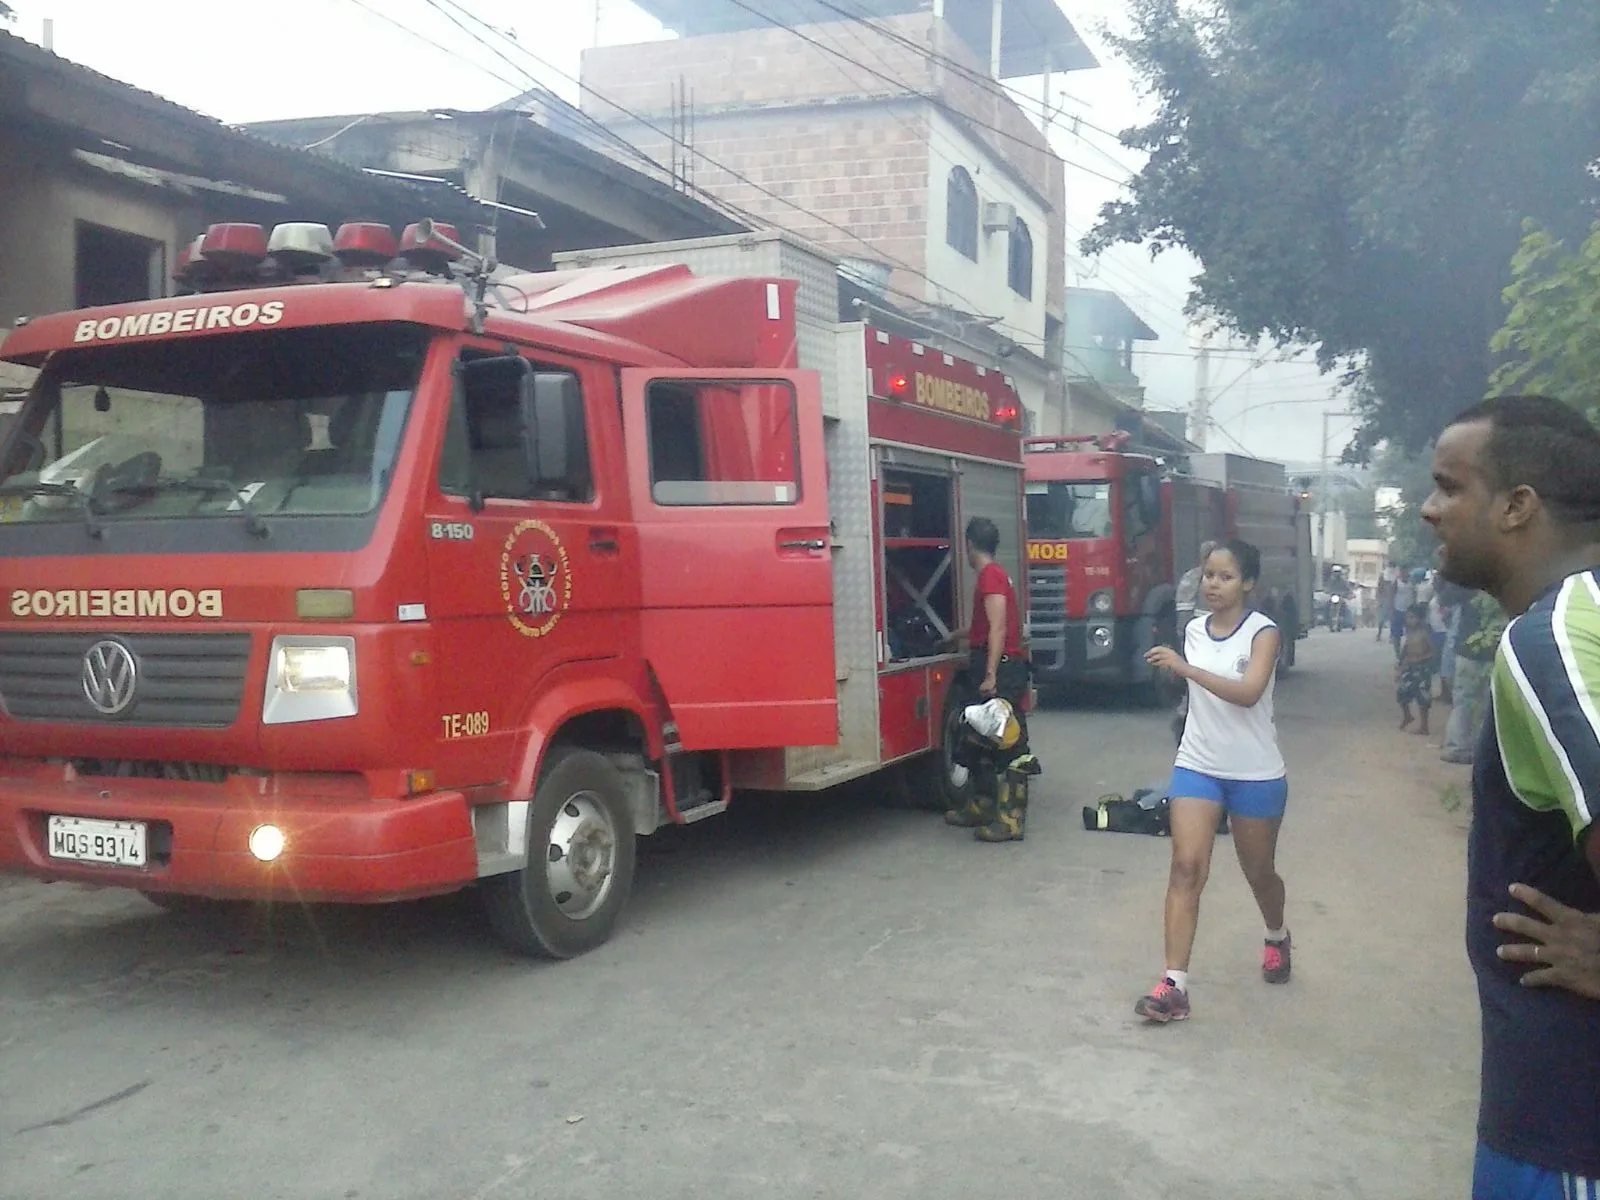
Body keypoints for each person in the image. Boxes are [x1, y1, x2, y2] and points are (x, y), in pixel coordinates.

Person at [1420, 394, 1600, 1194]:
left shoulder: (1554, 636)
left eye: (1448, 487)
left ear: (1517, 506)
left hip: (1565, 1127)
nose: (1429, 510)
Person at [1134, 539, 1291, 1023]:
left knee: (1258, 872)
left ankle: (1276, 934)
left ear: (1247, 583)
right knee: (1185, 867)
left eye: (1225, 577)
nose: (1214, 585)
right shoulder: (1195, 630)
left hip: (1255, 773)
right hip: (1198, 765)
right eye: (1208, 576)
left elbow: (1248, 693)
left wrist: (1185, 668)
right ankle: (1173, 986)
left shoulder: (1264, 633)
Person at [943, 517, 1038, 843]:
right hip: (993, 661)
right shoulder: (993, 577)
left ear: (970, 545)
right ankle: (982, 806)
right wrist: (960, 635)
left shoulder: (991, 577)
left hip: (1002, 669)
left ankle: (1010, 820)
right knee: (978, 739)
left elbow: (998, 628)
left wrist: (991, 674)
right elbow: (989, 626)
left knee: (1009, 743)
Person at [1440, 587, 1506, 765]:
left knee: (1463, 702)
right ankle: (1478, 750)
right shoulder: (1501, 593)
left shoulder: (1467, 591)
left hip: (1466, 653)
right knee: (1486, 705)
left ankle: (1457, 747)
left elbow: (1446, 605)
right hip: (1491, 653)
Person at [1170, 540, 1219, 744]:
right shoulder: (1214, 580)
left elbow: (1182, 612)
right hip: (1205, 640)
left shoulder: (1190, 578)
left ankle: (1185, 721)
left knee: (1194, 684)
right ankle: (1189, 723)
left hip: (1191, 639)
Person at [1396, 603, 1436, 735]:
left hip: (1423, 667)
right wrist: (1401, 663)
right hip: (1410, 665)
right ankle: (1407, 715)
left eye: (1412, 617)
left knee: (1422, 696)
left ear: (1420, 618)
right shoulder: (1409, 632)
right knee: (1402, 691)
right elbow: (1406, 647)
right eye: (1408, 617)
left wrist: (1425, 660)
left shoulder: (1426, 632)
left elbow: (1433, 650)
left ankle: (1424, 726)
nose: (1409, 620)